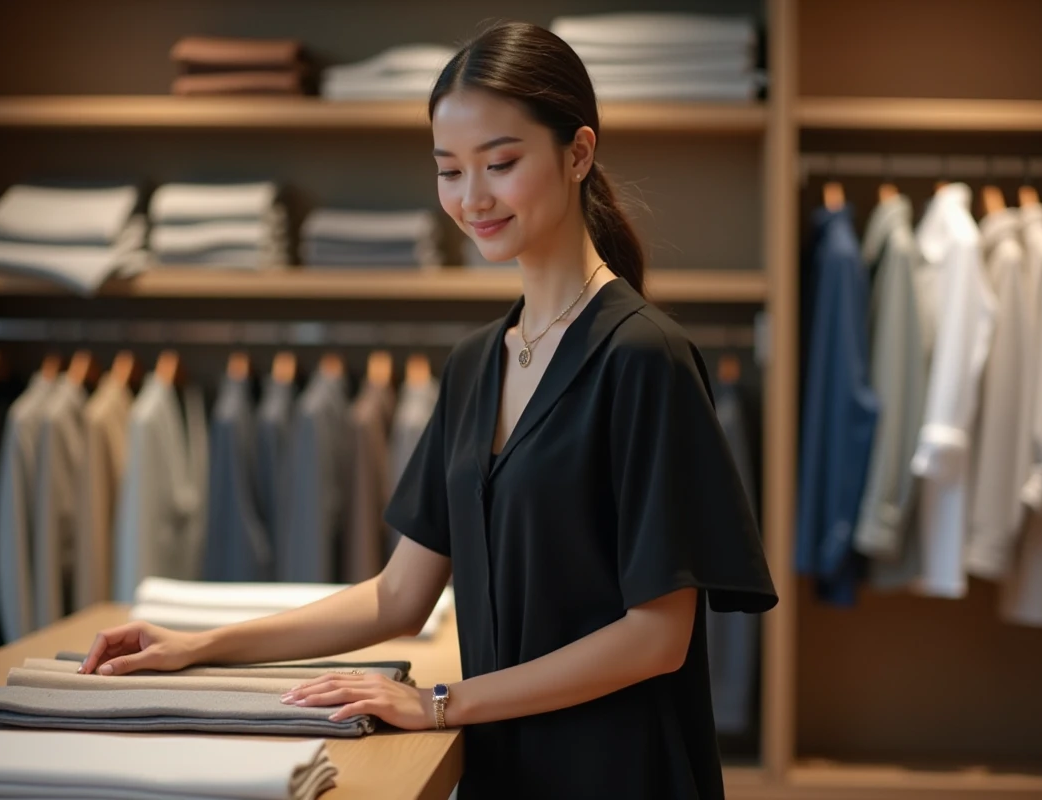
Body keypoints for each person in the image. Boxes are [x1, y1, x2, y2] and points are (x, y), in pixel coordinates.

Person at [78, 20, 777, 800]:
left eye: (501, 164)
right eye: (449, 171)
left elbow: (657, 639)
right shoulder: (477, 362)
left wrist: (442, 703)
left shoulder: (644, 357)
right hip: (502, 771)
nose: (471, 198)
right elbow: (397, 596)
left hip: (621, 772)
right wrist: (195, 648)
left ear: (578, 153)